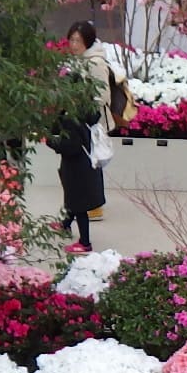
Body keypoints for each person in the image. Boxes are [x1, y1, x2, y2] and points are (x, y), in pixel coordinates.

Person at [67, 20, 121, 223]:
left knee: (92, 163)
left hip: (93, 121)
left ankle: (95, 206)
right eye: (71, 39)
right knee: (84, 164)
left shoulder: (95, 63)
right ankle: (82, 206)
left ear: (87, 42)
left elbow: (101, 96)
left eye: (77, 40)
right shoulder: (80, 61)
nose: (73, 44)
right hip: (81, 120)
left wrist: (84, 110)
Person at [46, 109, 104, 255]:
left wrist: (50, 141)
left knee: (79, 204)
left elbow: (71, 147)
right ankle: (65, 225)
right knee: (74, 198)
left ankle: (85, 243)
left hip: (77, 168)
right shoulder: (87, 114)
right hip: (88, 165)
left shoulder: (72, 120)